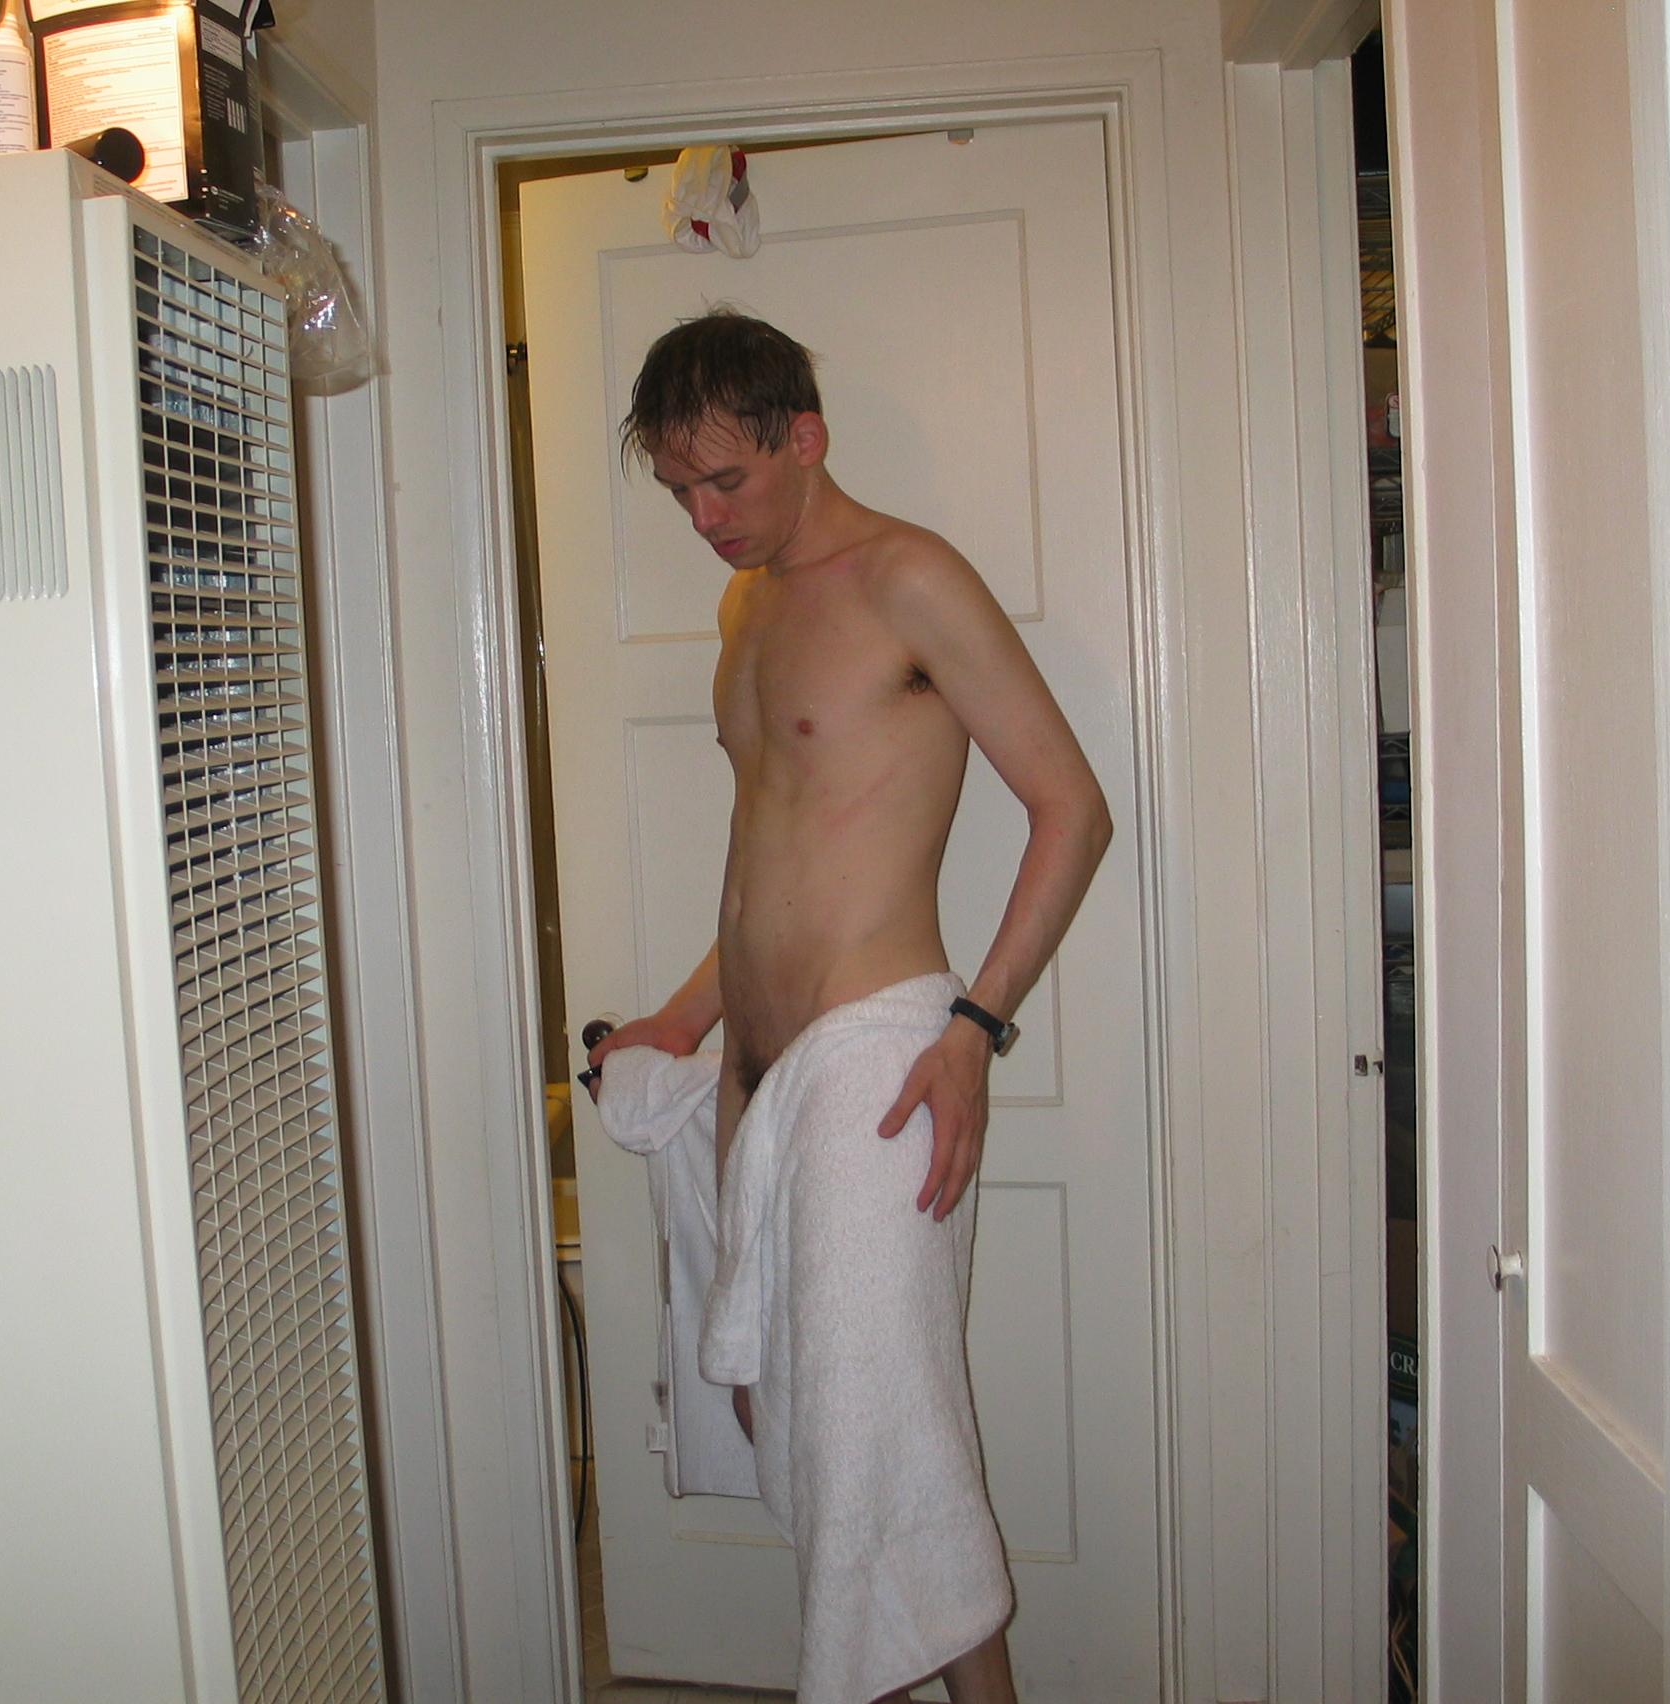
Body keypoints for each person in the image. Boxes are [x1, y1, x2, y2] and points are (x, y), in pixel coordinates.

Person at [587, 310, 1112, 1704]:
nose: (704, 519)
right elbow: (769, 854)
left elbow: (1072, 808)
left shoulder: (909, 580)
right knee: (807, 1437)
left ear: (805, 438)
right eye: (680, 490)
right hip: (755, 1087)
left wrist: (975, 1031)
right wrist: (685, 1020)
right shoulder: (743, 609)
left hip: (879, 1068)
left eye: (726, 481)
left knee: (883, 1456)